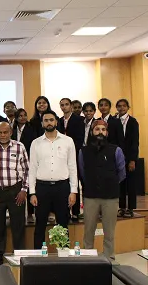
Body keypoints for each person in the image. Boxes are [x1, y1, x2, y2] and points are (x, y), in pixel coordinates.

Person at [29, 111, 78, 249]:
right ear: (42, 123)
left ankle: (63, 255)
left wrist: (73, 191)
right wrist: (32, 192)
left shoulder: (68, 141)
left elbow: (72, 167)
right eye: (46, 120)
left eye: (51, 120)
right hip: (42, 188)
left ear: (56, 121)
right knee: (40, 224)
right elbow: (32, 168)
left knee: (63, 223)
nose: (49, 122)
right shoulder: (36, 143)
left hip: (62, 187)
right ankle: (38, 256)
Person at [79, 119, 126, 260]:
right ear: (91, 132)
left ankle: (109, 257)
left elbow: (121, 173)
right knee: (88, 230)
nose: (100, 132)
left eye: (103, 129)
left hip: (110, 197)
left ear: (107, 133)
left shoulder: (116, 150)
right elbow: (82, 172)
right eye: (97, 129)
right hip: (90, 196)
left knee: (109, 231)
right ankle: (87, 257)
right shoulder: (83, 151)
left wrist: (109, 182)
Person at [0, 122, 30, 265]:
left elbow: (27, 170)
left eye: (5, 132)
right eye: (0, 132)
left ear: (11, 132)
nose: (3, 135)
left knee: (18, 226)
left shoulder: (19, 147)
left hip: (16, 191)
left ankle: (19, 256)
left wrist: (24, 190)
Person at [57, 98, 85, 222]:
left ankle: (76, 211)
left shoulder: (79, 120)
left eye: (66, 104)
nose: (64, 107)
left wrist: (71, 149)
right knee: (64, 183)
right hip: (61, 156)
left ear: (71, 106)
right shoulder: (59, 121)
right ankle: (65, 211)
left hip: (75, 154)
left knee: (75, 181)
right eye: (62, 105)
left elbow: (80, 138)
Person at [115, 99, 139, 218]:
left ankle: (131, 208)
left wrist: (133, 160)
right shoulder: (115, 121)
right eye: (119, 106)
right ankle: (122, 207)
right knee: (121, 183)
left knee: (131, 184)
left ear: (128, 107)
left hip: (130, 157)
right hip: (118, 157)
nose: (122, 108)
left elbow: (135, 142)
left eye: (124, 106)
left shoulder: (133, 121)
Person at [12, 109, 36, 223]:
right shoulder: (12, 130)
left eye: (24, 115)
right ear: (16, 118)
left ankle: (30, 213)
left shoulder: (31, 129)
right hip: (15, 161)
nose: (23, 117)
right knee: (17, 187)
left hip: (29, 159)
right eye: (20, 116)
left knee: (29, 185)